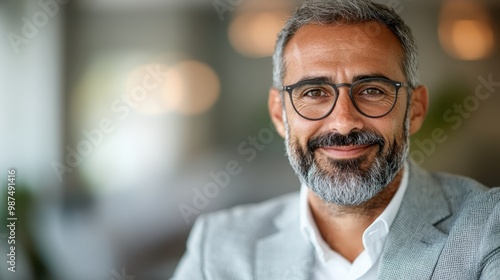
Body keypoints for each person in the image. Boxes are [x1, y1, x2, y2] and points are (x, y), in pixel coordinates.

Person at [172, 0, 500, 279]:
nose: (343, 123)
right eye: (314, 92)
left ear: (415, 109)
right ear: (278, 114)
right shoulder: (217, 246)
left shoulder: (488, 227)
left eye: (372, 91)